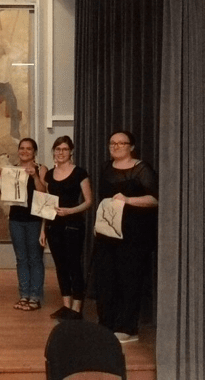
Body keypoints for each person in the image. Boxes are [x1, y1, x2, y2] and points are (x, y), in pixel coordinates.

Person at [95, 130, 158, 343]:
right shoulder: (106, 167)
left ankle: (128, 327)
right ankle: (106, 323)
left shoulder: (142, 169)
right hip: (108, 233)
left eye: (121, 143)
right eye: (112, 143)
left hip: (134, 235)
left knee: (129, 279)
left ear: (131, 147)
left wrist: (128, 200)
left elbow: (154, 199)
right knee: (106, 279)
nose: (116, 146)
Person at [41, 135, 92, 321]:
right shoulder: (49, 175)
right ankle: (66, 305)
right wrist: (42, 229)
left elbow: (89, 201)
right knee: (60, 266)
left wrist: (70, 211)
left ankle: (77, 309)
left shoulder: (80, 173)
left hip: (73, 225)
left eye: (64, 149)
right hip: (53, 225)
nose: (60, 152)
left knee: (74, 265)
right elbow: (46, 203)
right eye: (57, 149)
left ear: (71, 151)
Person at [0, 138, 48, 312]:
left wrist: (34, 176)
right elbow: (5, 195)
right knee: (21, 259)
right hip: (16, 219)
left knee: (35, 258)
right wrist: (2, 179)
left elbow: (43, 192)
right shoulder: (12, 169)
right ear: (18, 150)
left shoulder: (41, 169)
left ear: (34, 152)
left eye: (29, 148)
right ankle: (24, 294)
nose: (25, 151)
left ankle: (35, 296)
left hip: (35, 220)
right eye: (22, 148)